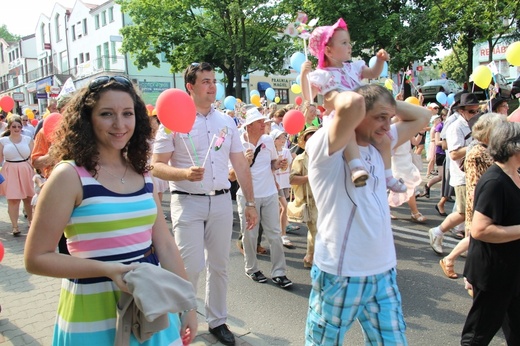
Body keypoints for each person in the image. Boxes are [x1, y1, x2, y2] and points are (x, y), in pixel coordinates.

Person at [23, 75, 198, 345]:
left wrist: (188, 306)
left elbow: (164, 244)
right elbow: (35, 258)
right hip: (91, 313)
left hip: (150, 306)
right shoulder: (68, 176)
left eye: (127, 113)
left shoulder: (143, 172)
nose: (119, 124)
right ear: (87, 119)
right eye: (107, 114)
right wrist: (109, 270)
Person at [304, 84, 430, 344]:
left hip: (383, 272)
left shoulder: (379, 143)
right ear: (359, 115)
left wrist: (385, 103)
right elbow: (348, 105)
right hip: (341, 272)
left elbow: (422, 117)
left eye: (390, 117)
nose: (387, 125)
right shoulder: (326, 146)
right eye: (380, 117)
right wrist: (351, 86)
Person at [152, 62, 257, 346]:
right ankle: (181, 322)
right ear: (191, 87)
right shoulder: (171, 122)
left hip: (221, 201)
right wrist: (182, 174)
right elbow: (156, 166)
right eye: (206, 81)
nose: (212, 86)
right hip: (187, 203)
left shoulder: (226, 122)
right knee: (189, 266)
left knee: (220, 265)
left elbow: (240, 165)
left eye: (214, 81)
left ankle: (218, 321)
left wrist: (250, 202)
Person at [301, 18, 405, 193]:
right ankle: (356, 166)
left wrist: (379, 62)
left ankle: (388, 175)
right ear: (328, 50)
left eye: (349, 42)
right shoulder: (322, 74)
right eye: (344, 42)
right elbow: (308, 95)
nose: (350, 46)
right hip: (341, 114)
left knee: (385, 140)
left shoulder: (354, 67)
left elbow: (373, 73)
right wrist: (304, 75)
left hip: (363, 111)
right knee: (347, 131)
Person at [461, 121, 520, 345]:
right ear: (514, 147)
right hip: (494, 273)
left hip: (512, 270)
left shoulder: (515, 173)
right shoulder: (495, 181)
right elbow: (480, 229)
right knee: (478, 335)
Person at [438, 113, 505, 280]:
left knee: (477, 239)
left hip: (487, 199)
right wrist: (481, 206)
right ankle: (453, 262)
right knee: (477, 237)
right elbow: (474, 182)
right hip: (479, 200)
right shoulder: (477, 151)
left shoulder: (486, 148)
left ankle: (458, 266)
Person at [237, 108, 293, 289]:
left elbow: (272, 164)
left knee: (275, 235)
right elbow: (231, 175)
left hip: (269, 193)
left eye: (264, 121)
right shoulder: (238, 144)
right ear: (250, 125)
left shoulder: (268, 140)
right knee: (250, 235)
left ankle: (279, 272)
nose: (264, 124)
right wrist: (244, 162)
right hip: (247, 196)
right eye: (260, 122)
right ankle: (251, 267)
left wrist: (279, 164)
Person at [429, 93, 481, 254]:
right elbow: (454, 154)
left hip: (475, 174)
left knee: (466, 212)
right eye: (471, 111)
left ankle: (447, 236)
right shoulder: (455, 127)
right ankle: (439, 233)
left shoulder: (472, 125)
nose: (475, 114)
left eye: (477, 111)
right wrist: (477, 145)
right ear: (461, 111)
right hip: (463, 175)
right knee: (464, 212)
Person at [0, 115, 35, 236]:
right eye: (14, 126)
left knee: (29, 198)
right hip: (10, 170)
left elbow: (34, 157)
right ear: (9, 127)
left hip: (26, 169)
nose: (17, 128)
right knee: (13, 199)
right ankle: (15, 226)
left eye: (19, 126)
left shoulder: (27, 139)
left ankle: (31, 221)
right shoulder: (3, 141)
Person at [289, 126, 319, 268]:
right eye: (309, 139)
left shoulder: (325, 157)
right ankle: (313, 258)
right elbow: (292, 179)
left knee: (321, 231)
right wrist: (308, 177)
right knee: (316, 231)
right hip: (310, 200)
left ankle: (310, 257)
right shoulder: (300, 160)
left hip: (325, 199)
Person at [271, 129, 295, 248]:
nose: (283, 140)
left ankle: (279, 231)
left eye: (284, 137)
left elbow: (290, 167)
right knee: (285, 206)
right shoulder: (271, 152)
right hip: (275, 184)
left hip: (285, 183)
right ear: (274, 140)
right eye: (281, 138)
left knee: (281, 209)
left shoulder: (286, 152)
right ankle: (283, 235)